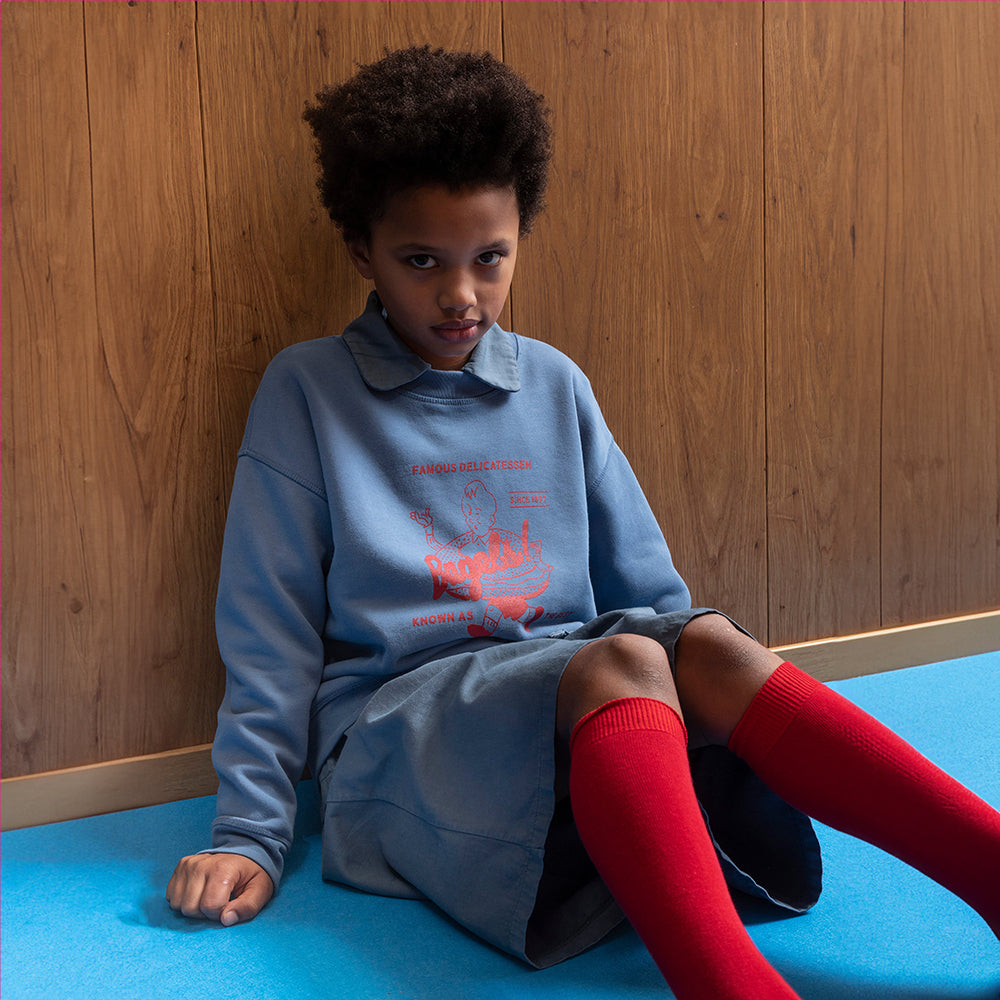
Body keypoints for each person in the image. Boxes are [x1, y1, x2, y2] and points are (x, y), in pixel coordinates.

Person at [167, 46, 999, 998]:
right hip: (402, 730)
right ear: (363, 253)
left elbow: (652, 600)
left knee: (704, 643)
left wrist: (682, 713)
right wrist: (251, 833)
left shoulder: (553, 381)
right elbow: (267, 632)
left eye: (490, 257)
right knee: (624, 659)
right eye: (421, 261)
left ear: (520, 235)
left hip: (576, 700)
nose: (460, 294)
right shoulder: (306, 389)